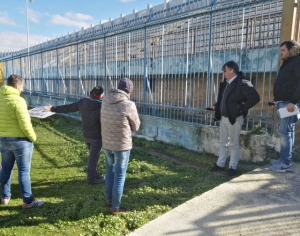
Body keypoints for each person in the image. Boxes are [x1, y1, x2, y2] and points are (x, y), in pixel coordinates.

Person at [0, 74, 44, 208]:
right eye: (22, 86)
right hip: (20, 141)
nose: (22, 89)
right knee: (24, 171)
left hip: (3, 140)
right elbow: (25, 124)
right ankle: (28, 201)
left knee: (6, 169)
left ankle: (5, 196)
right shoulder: (18, 101)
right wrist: (33, 137)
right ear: (18, 85)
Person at [45, 86, 105, 185]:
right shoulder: (102, 105)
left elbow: (68, 108)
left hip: (87, 134)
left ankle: (95, 174)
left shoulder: (82, 102)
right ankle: (92, 179)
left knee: (93, 156)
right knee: (94, 157)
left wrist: (53, 108)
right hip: (97, 135)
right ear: (101, 95)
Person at [209, 61, 260, 176]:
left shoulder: (242, 83)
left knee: (233, 143)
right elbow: (224, 100)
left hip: (234, 118)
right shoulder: (227, 83)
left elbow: (255, 98)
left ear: (232, 70)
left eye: (225, 70)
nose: (223, 73)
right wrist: (215, 106)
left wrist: (240, 108)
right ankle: (220, 164)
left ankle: (233, 167)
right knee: (223, 143)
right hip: (224, 118)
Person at [101, 78, 140, 215]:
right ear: (129, 91)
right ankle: (116, 207)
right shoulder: (128, 104)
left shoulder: (105, 100)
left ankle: (109, 199)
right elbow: (136, 126)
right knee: (119, 176)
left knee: (109, 172)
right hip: (122, 146)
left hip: (107, 143)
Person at [269, 40, 300, 173]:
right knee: (288, 132)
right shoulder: (289, 63)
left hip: (289, 103)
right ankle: (284, 160)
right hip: (285, 102)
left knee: (285, 133)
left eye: (283, 50)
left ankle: (286, 163)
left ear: (291, 50)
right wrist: (277, 101)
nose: (281, 53)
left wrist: (293, 101)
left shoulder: (297, 61)